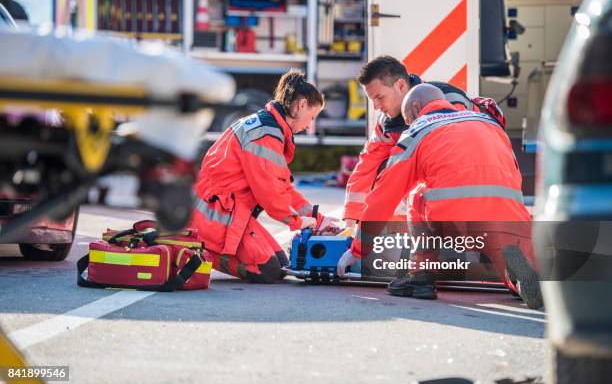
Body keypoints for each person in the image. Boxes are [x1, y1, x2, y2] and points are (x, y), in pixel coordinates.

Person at [338, 84, 542, 309]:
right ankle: (518, 281)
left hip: (456, 221)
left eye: (408, 119)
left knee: (416, 194)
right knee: (504, 255)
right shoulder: (488, 123)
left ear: (416, 108)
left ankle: (421, 276)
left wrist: (358, 249)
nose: (409, 124)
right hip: (509, 218)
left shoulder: (418, 130)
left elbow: (383, 197)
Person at [191, 69, 338, 283]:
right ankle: (203, 248)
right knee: (269, 271)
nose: (309, 126)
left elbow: (283, 189)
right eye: (312, 117)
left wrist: (319, 219)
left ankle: (207, 244)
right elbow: (269, 194)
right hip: (215, 215)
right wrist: (298, 222)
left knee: (282, 265)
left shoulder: (269, 128)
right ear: (301, 105)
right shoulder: (265, 135)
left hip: (227, 211)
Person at [342, 56, 505, 231]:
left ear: (401, 86)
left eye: (380, 97)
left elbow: (455, 168)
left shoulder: (450, 103)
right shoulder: (386, 123)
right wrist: (351, 220)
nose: (375, 106)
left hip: (476, 193)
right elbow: (368, 165)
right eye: (372, 99)